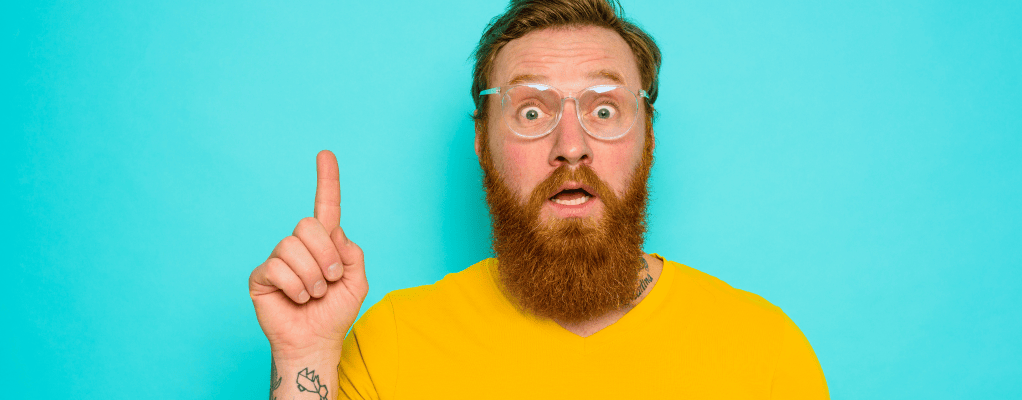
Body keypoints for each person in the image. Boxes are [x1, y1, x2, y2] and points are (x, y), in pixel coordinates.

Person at [248, 0, 829, 398]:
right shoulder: (391, 343)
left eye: (604, 110)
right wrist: (305, 359)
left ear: (648, 138)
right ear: (482, 143)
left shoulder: (764, 351)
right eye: (531, 111)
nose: (570, 146)